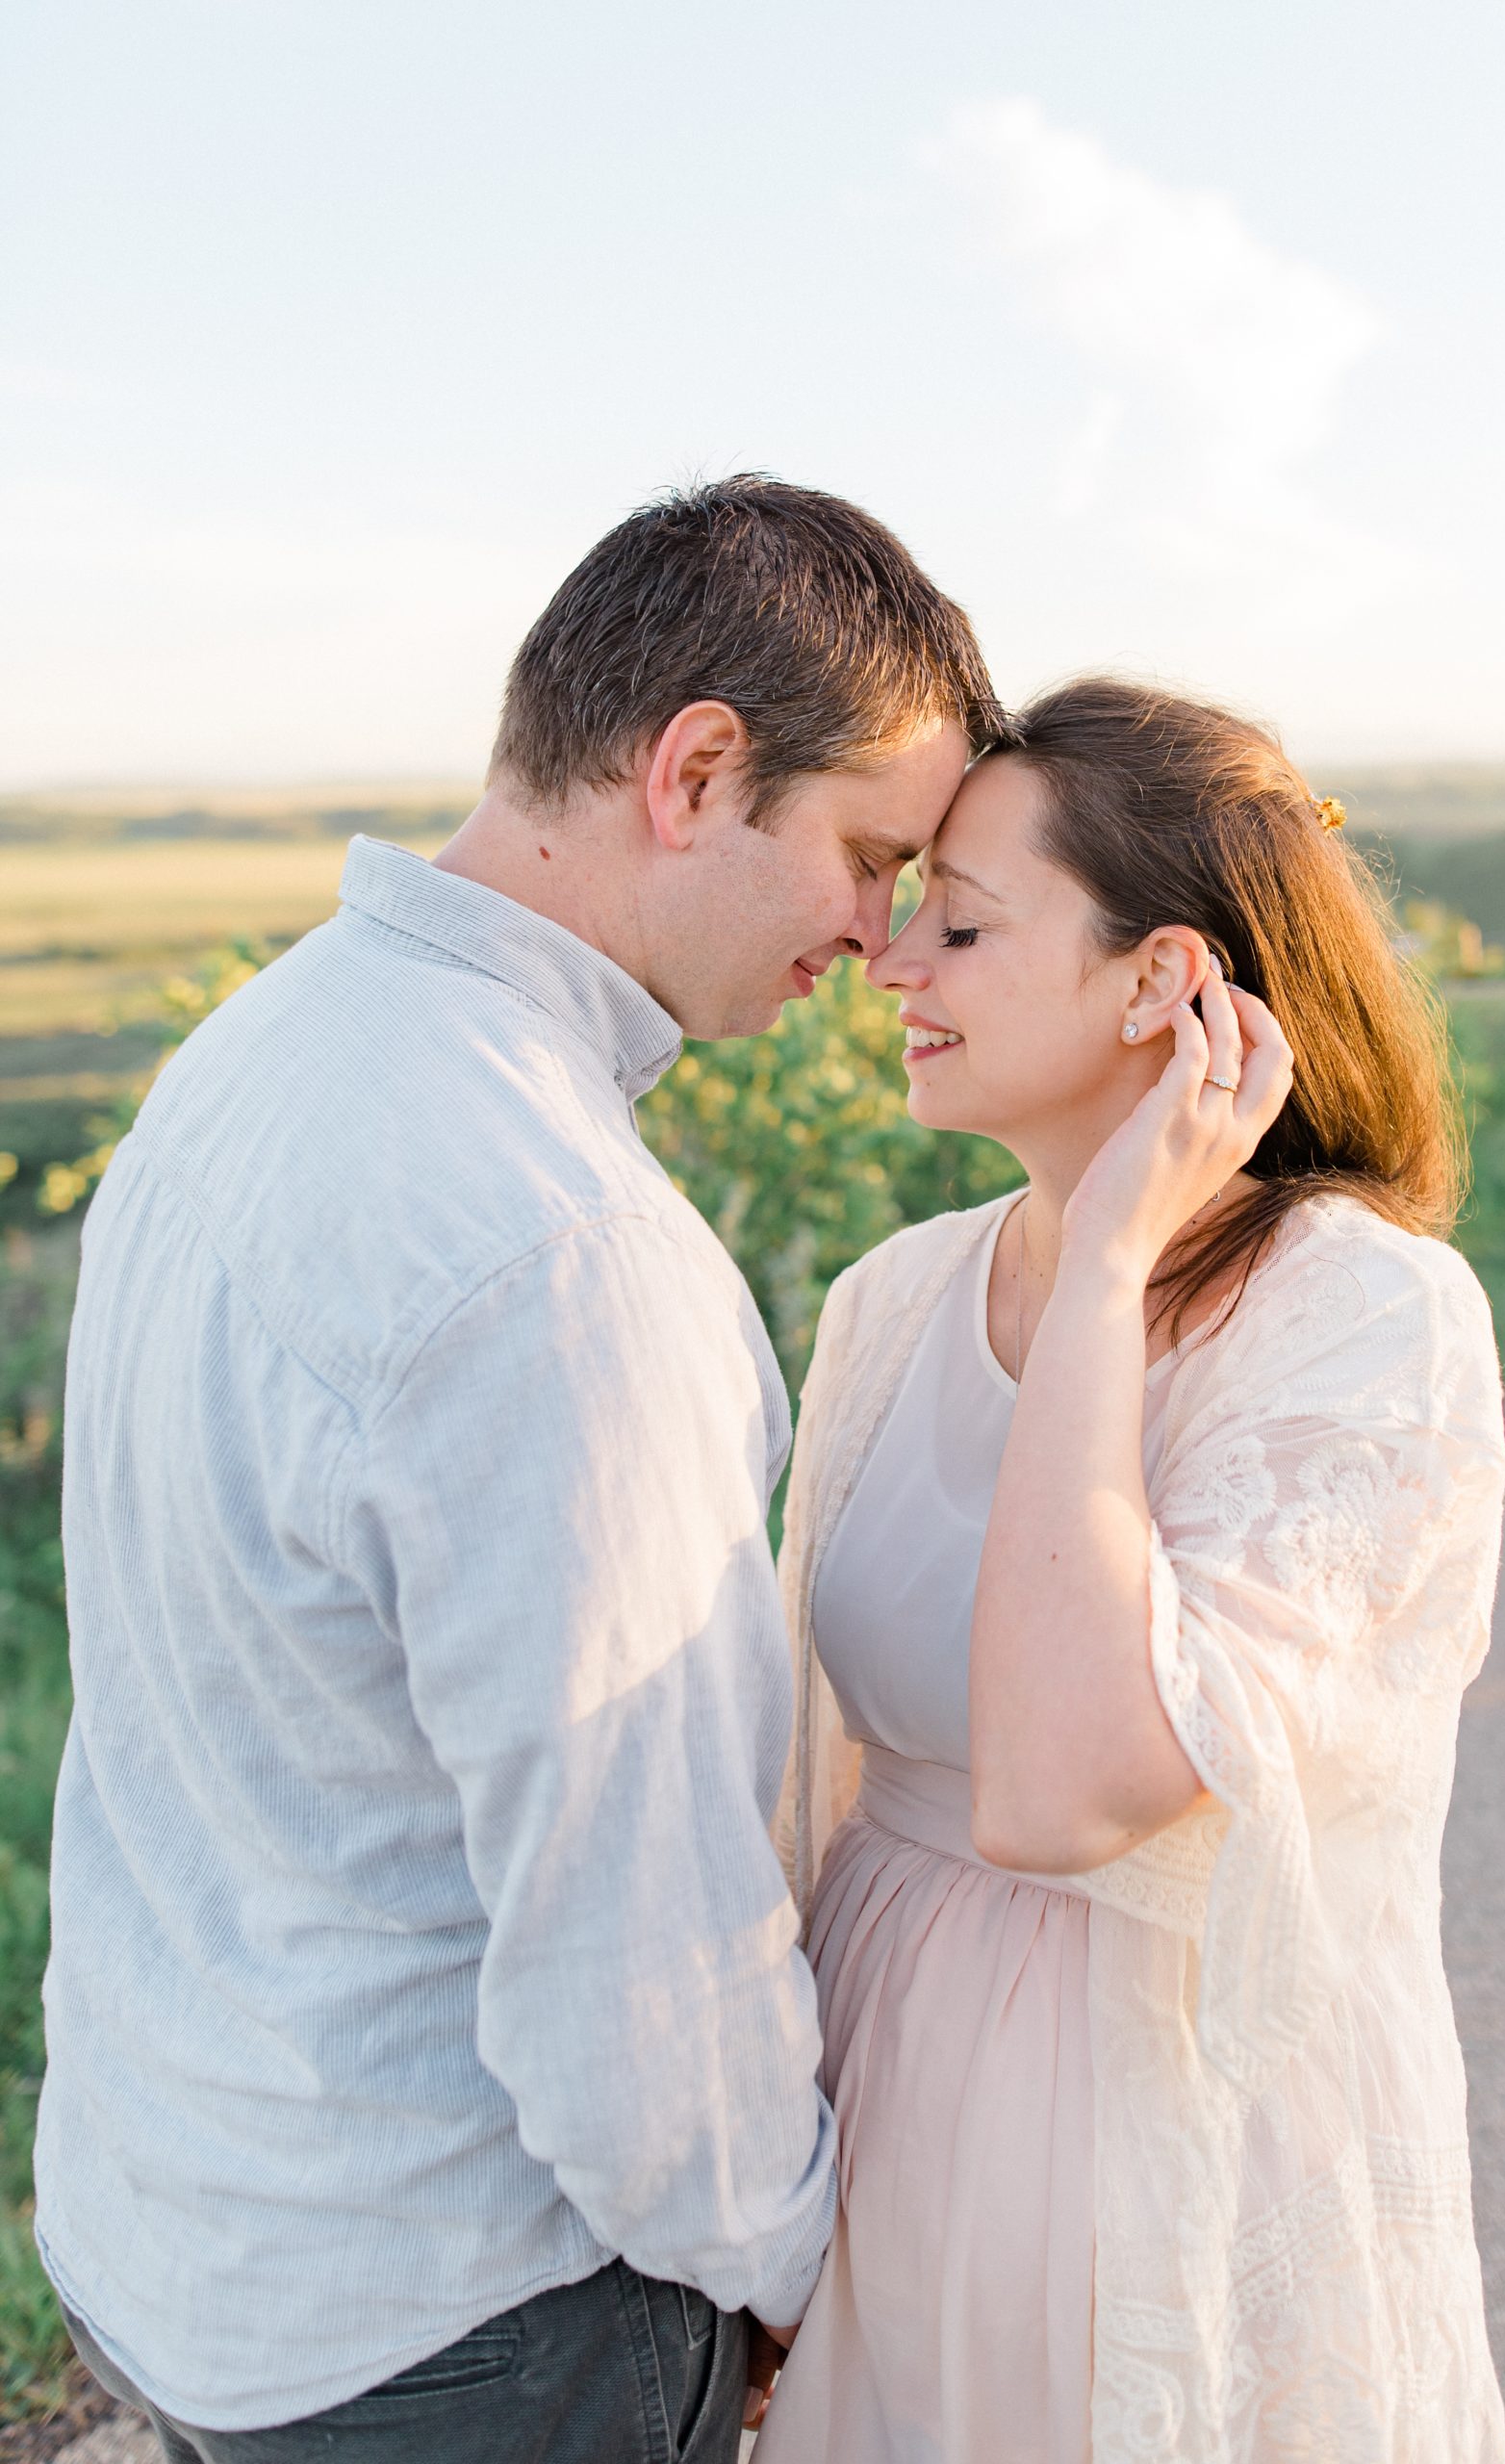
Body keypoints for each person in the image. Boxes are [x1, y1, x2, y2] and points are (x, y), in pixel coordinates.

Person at [36, 476, 1005, 2463]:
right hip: (459, 2319)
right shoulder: (560, 1256)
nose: (878, 928)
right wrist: (802, 2275)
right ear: (696, 767)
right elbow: (640, 1964)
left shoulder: (253, 1055)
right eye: (866, 850)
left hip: (199, 2226)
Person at [757, 679, 1505, 2462]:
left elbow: (1063, 1787)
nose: (892, 963)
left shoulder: (1361, 1314)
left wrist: (1109, 1266)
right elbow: (818, 1782)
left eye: (960, 922)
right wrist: (758, 2199)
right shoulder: (890, 1303)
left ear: (1157, 982)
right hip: (885, 2111)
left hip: (1164, 2141)